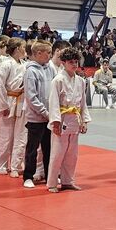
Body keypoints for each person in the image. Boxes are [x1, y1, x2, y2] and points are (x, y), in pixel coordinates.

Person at [46, 47, 90, 192]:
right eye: (71, 62)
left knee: (72, 154)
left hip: (74, 119)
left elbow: (83, 103)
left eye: (76, 61)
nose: (74, 64)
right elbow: (53, 102)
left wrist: (84, 121)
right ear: (63, 63)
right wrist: (55, 122)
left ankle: (68, 181)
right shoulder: (58, 80)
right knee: (57, 154)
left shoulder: (81, 81)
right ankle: (52, 183)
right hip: (62, 119)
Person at [0, 37, 27, 177]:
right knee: (5, 136)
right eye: (23, 47)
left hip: (21, 101)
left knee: (20, 136)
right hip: (8, 100)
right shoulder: (6, 64)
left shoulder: (25, 64)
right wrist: (2, 105)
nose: (25, 49)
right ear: (18, 48)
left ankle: (16, 164)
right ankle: (0, 164)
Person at [22, 41, 53, 189]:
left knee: (49, 148)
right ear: (38, 53)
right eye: (48, 52)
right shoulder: (31, 71)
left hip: (49, 116)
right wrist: (44, 112)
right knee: (32, 149)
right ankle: (28, 176)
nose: (50, 55)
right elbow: (31, 97)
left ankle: (49, 175)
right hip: (35, 117)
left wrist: (53, 112)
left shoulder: (50, 68)